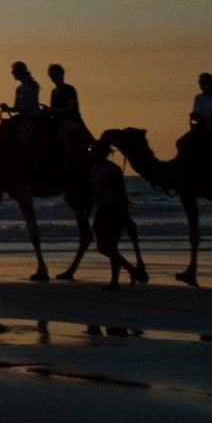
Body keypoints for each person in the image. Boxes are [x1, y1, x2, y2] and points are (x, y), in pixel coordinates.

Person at [88, 141, 142, 290]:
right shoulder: (94, 169)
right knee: (103, 248)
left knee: (111, 247)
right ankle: (131, 270)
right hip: (102, 211)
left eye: (96, 151)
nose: (93, 153)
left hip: (114, 210)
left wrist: (126, 215)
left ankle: (116, 281)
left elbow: (121, 193)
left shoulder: (113, 170)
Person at [0, 61, 42, 172]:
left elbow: (29, 105)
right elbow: (17, 107)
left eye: (14, 72)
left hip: (32, 117)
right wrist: (7, 108)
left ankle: (36, 161)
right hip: (22, 117)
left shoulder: (33, 85)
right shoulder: (19, 89)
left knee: (21, 135)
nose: (12, 74)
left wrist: (18, 111)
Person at [46, 64, 88, 147]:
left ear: (62, 75)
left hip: (72, 120)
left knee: (62, 128)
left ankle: (67, 155)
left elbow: (69, 109)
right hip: (57, 120)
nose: (54, 77)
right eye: (52, 75)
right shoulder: (53, 92)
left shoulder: (69, 89)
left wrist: (52, 111)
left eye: (56, 74)